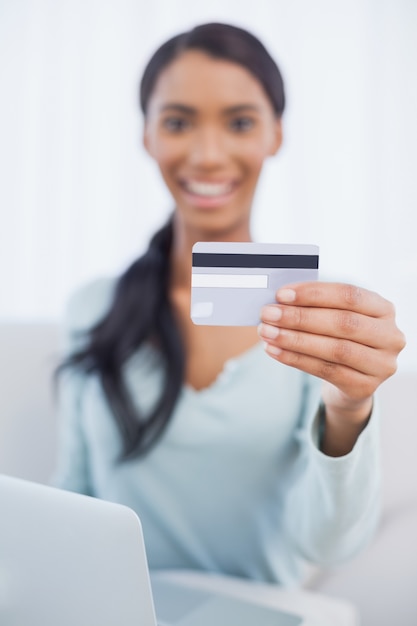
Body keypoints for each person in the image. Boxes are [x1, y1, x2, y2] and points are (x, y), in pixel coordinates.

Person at [53, 22, 405, 587]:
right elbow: (71, 497)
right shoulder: (93, 307)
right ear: (146, 136)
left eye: (240, 122)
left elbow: (330, 542)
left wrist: (348, 409)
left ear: (276, 134)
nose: (208, 154)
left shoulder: (327, 319)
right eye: (177, 122)